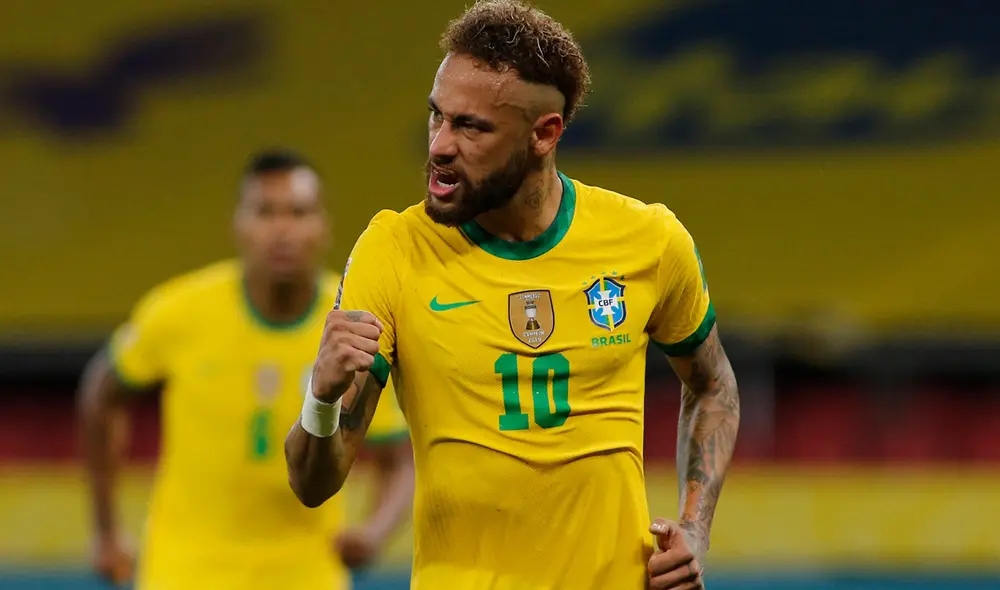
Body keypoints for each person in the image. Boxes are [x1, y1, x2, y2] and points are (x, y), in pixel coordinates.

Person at [286, 1, 740, 588]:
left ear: (543, 135)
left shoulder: (648, 240)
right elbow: (312, 483)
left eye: (470, 126)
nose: (440, 146)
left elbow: (713, 384)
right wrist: (320, 401)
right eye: (436, 117)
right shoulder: (394, 250)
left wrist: (695, 528)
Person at [78, 149, 414, 590]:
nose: (281, 229)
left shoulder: (356, 323)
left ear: (324, 227)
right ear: (238, 225)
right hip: (184, 573)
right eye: (264, 212)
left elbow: (398, 458)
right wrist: (105, 530)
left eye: (298, 212)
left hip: (306, 575)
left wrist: (374, 532)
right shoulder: (180, 311)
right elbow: (102, 392)